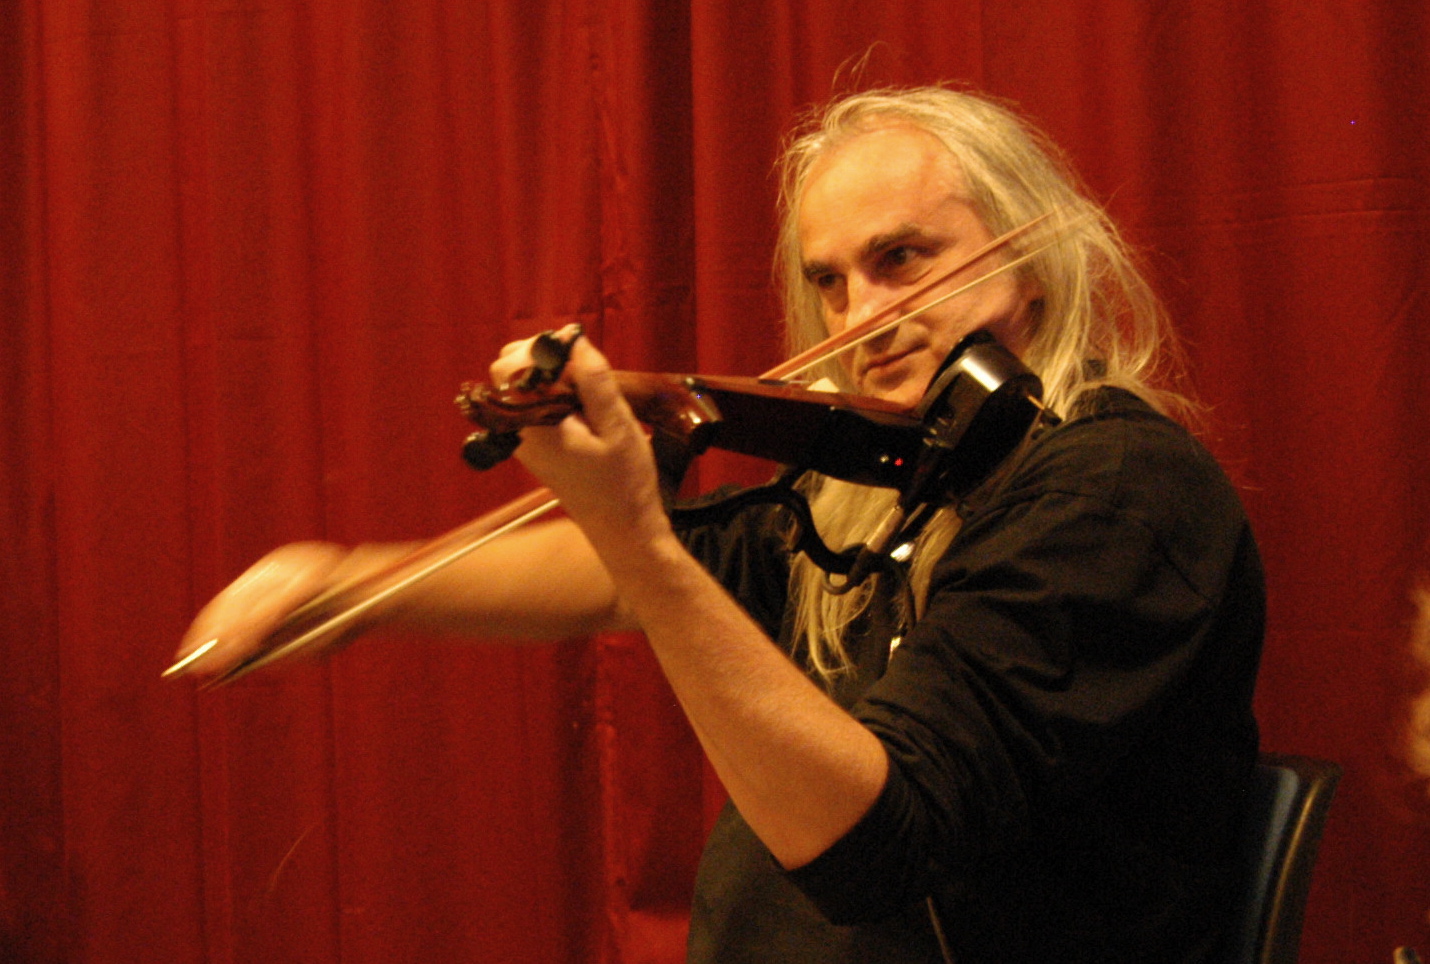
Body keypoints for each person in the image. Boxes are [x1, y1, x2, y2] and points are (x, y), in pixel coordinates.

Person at [172, 86, 1264, 963]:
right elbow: (629, 571)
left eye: (901, 260)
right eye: (829, 282)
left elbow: (869, 847)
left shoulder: (1112, 490)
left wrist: (636, 542)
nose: (862, 321)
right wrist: (345, 588)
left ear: (1026, 262)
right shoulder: (892, 481)